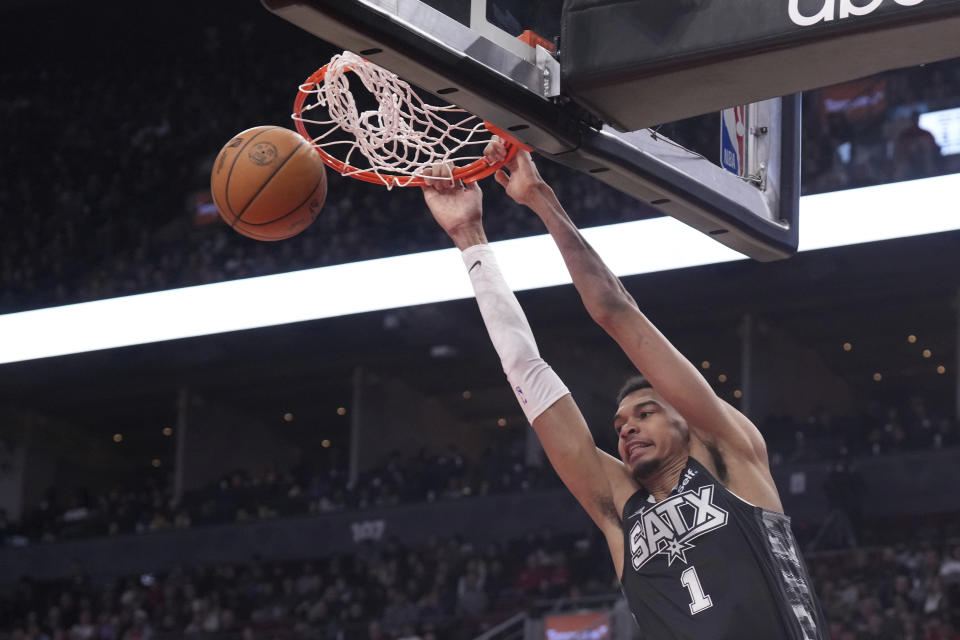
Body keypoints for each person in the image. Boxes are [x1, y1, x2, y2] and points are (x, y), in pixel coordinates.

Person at [420, 142, 827, 639]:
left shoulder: (729, 457)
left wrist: (540, 197)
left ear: (685, 418)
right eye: (619, 425)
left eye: (646, 412)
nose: (628, 427)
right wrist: (470, 238)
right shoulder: (619, 513)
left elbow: (614, 310)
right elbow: (527, 371)